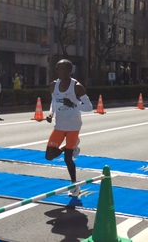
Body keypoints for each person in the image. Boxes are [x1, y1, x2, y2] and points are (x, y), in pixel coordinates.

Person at [45, 59, 93, 197]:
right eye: (58, 69)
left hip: (73, 125)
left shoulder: (77, 86)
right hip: (59, 125)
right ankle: (70, 147)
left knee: (67, 159)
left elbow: (89, 107)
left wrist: (73, 104)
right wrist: (50, 113)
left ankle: (74, 186)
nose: (60, 72)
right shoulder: (54, 85)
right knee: (49, 156)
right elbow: (54, 102)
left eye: (63, 69)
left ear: (69, 70)